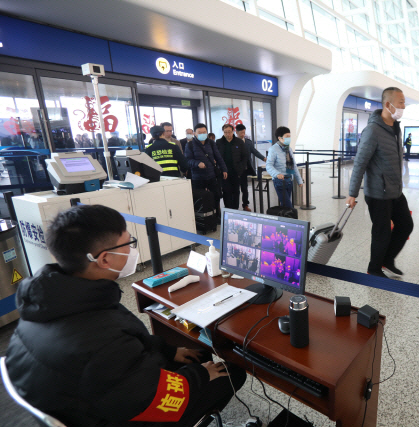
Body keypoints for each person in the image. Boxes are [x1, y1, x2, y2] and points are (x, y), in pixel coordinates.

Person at [4, 204, 246, 426]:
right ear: (105, 259)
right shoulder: (101, 339)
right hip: (123, 414)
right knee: (232, 372)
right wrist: (202, 374)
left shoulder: (52, 299)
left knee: (198, 353)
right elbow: (149, 398)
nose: (132, 250)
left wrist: (169, 351)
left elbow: (126, 337)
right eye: (128, 244)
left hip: (92, 396)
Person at [346, 87, 414, 278]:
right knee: (381, 233)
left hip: (395, 191)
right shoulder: (372, 130)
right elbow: (360, 163)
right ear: (387, 104)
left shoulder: (395, 128)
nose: (403, 106)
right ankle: (374, 268)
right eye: (400, 102)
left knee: (406, 225)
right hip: (378, 193)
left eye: (403, 103)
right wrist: (352, 194)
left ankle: (388, 259)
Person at [185, 123, 228, 219]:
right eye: (199, 132)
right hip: (197, 177)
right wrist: (197, 163)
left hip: (211, 175)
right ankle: (201, 218)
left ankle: (216, 216)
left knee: (216, 196)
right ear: (195, 133)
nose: (202, 134)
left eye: (204, 132)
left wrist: (224, 169)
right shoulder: (190, 145)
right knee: (199, 199)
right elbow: (187, 160)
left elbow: (218, 157)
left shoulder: (211, 143)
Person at [266, 126, 303, 209]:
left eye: (289, 136)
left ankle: (283, 220)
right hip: (280, 181)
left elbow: (293, 166)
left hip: (289, 180)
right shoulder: (273, 149)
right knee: (288, 206)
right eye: (287, 137)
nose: (289, 139)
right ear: (280, 138)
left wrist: (299, 180)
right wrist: (277, 174)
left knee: (285, 206)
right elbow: (268, 165)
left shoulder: (288, 149)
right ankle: (291, 221)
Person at [216, 124, 247, 210]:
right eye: (225, 132)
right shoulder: (219, 142)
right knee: (226, 191)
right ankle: (228, 209)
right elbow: (216, 156)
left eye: (229, 132)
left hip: (236, 171)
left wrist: (241, 169)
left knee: (236, 191)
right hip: (224, 172)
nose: (227, 134)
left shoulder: (239, 142)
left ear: (233, 131)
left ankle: (235, 209)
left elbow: (244, 156)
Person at [236, 123, 267, 212]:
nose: (243, 134)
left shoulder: (248, 142)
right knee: (235, 189)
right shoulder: (233, 142)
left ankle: (245, 204)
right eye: (241, 133)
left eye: (244, 132)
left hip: (245, 169)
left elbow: (255, 152)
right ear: (237, 132)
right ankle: (235, 207)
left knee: (244, 188)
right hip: (236, 170)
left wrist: (264, 158)